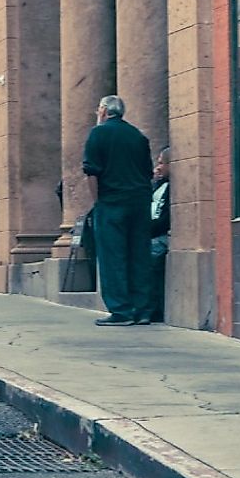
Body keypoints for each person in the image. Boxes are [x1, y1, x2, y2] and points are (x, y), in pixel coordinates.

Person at [82, 94, 155, 325]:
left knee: (113, 257)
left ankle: (121, 311)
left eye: (98, 110)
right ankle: (143, 310)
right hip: (140, 202)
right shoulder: (138, 136)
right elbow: (148, 172)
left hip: (112, 202)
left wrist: (97, 202)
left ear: (104, 111)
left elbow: (91, 172)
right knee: (139, 256)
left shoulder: (98, 133)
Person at [144, 150, 171, 326]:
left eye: (162, 163)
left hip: (162, 236)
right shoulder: (159, 185)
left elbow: (166, 219)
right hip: (153, 233)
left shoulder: (173, 188)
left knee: (149, 254)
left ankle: (150, 308)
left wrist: (146, 231)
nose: (157, 167)